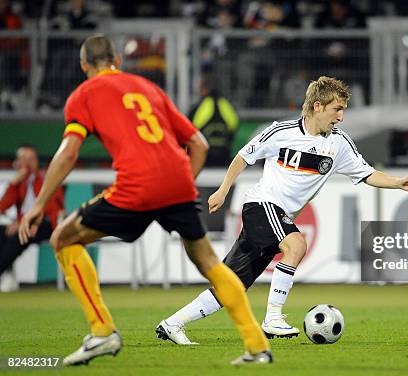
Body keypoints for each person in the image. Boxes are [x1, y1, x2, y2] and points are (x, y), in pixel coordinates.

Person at [18, 34, 271, 366]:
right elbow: (199, 145)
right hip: (179, 183)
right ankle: (256, 347)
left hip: (136, 185)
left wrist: (38, 205)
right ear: (118, 62)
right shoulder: (148, 87)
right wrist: (178, 189)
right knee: (209, 263)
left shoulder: (83, 95)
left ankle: (102, 332)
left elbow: (67, 155)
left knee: (63, 239)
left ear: (84, 67)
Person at [156, 76, 408, 344]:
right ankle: (273, 318)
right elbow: (244, 156)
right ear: (318, 106)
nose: (341, 117)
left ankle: (172, 324)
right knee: (296, 244)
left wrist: (398, 182)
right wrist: (223, 190)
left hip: (275, 217)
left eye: (342, 110)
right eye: (336, 109)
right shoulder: (280, 132)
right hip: (261, 205)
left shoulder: (338, 143)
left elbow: (367, 174)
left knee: (231, 287)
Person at [0, 145, 64, 288]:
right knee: (2, 233)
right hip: (25, 224)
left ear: (36, 161)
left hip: (47, 224)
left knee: (18, 237)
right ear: (16, 163)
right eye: (23, 159)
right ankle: (6, 272)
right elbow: (3, 206)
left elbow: (52, 207)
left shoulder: (47, 178)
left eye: (30, 159)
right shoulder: (18, 183)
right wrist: (13, 183)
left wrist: (25, 223)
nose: (27, 163)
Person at [188, 75, 239, 167]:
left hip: (204, 160)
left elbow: (189, 129)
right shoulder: (226, 105)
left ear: (204, 89)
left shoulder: (199, 106)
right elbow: (234, 127)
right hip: (224, 158)